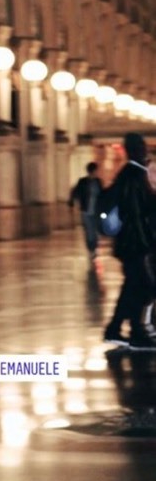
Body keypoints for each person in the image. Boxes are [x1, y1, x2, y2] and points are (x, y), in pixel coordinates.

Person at [103, 132, 156, 349]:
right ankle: (132, 331)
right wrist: (147, 243)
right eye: (141, 147)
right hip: (134, 243)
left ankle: (120, 330)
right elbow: (136, 212)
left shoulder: (131, 173)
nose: (144, 150)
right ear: (134, 150)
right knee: (143, 286)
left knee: (134, 286)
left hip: (130, 243)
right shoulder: (134, 176)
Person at [68, 162, 103, 262]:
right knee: (89, 231)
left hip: (96, 211)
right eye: (96, 170)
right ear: (92, 171)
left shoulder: (98, 182)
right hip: (86, 210)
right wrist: (71, 202)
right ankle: (91, 249)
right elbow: (75, 192)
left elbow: (103, 195)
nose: (97, 172)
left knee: (96, 231)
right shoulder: (83, 182)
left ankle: (94, 247)